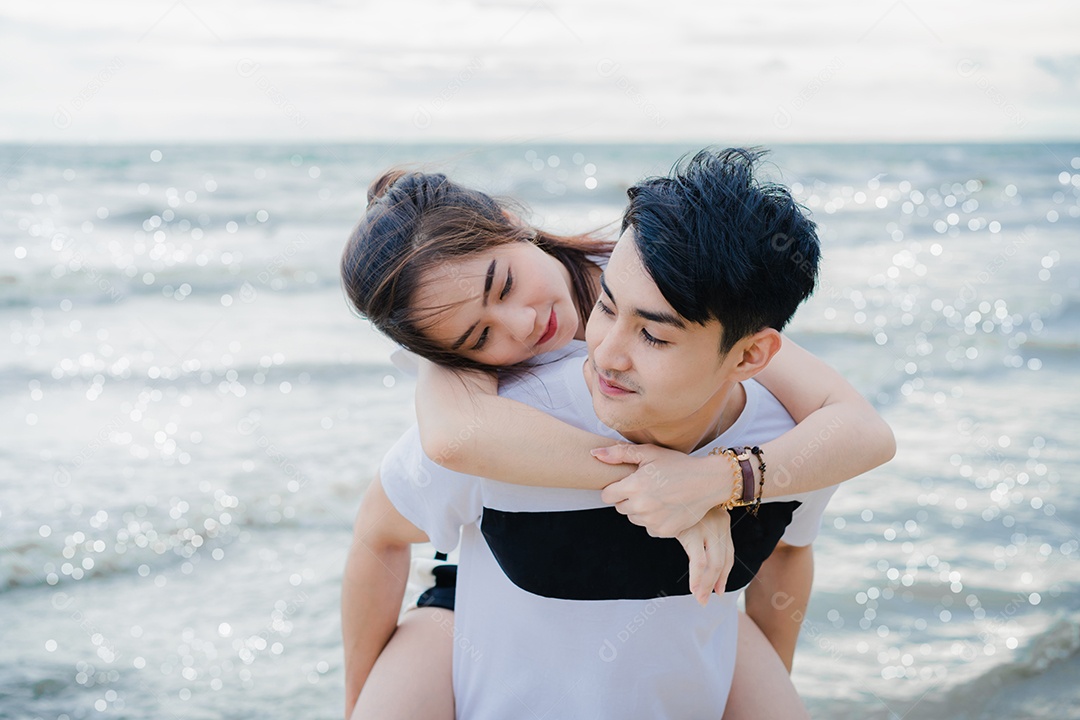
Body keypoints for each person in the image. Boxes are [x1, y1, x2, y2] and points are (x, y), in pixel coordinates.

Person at [340, 150, 895, 719]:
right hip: (497, 581)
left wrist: (715, 478)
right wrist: (666, 482)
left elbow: (855, 429)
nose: (522, 323)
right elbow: (451, 441)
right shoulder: (473, 368)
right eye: (481, 337)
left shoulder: (646, 271)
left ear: (511, 224)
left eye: (505, 285)